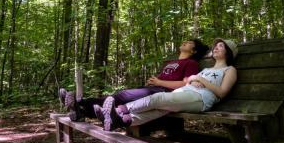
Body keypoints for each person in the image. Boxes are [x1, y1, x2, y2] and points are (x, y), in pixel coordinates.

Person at [96, 38, 238, 131]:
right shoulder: (207, 69)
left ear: (229, 52)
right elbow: (189, 80)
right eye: (216, 46)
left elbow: (222, 92)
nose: (216, 48)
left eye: (221, 46)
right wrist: (194, 80)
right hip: (185, 93)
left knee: (158, 98)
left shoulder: (229, 70)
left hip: (201, 99)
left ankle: (119, 110)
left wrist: (200, 80)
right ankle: (120, 121)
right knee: (158, 110)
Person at [59, 39, 210, 121]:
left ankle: (80, 104)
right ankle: (82, 111)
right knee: (119, 98)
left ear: (193, 51)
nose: (185, 41)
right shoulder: (171, 62)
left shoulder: (191, 63)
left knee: (120, 97)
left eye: (190, 42)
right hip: (153, 88)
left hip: (163, 93)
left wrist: (159, 83)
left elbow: (185, 84)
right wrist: (153, 81)